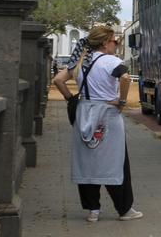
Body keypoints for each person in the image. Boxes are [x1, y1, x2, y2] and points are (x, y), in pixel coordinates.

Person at [52, 24, 142, 222]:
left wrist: (71, 99)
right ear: (104, 43)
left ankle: (93, 210)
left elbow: (58, 80)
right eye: (114, 41)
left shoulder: (80, 61)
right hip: (107, 113)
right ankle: (124, 209)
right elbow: (125, 77)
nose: (116, 45)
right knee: (116, 161)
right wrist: (122, 101)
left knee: (87, 161)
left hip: (84, 113)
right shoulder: (111, 61)